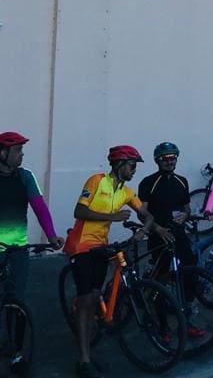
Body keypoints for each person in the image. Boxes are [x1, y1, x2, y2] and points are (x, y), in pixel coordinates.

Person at [64, 145, 170, 378]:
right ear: (120, 164)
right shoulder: (96, 181)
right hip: (81, 246)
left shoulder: (126, 192)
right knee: (87, 300)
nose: (134, 170)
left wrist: (146, 229)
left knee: (96, 293)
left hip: (101, 246)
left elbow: (147, 214)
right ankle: (83, 361)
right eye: (132, 166)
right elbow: (79, 211)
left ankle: (96, 320)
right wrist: (112, 217)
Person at [0, 131, 64, 303]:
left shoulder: (25, 177)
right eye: (18, 150)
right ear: (3, 154)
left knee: (16, 299)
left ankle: (14, 328)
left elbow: (40, 207)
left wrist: (51, 235)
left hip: (17, 250)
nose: (22, 154)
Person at [137, 142, 206, 339]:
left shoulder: (182, 181)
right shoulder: (149, 182)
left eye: (173, 158)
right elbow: (143, 214)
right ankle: (163, 326)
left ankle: (187, 319)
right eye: (165, 159)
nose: (170, 161)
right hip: (159, 236)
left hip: (179, 234)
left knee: (190, 272)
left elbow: (186, 208)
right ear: (157, 161)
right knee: (162, 280)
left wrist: (185, 215)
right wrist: (156, 228)